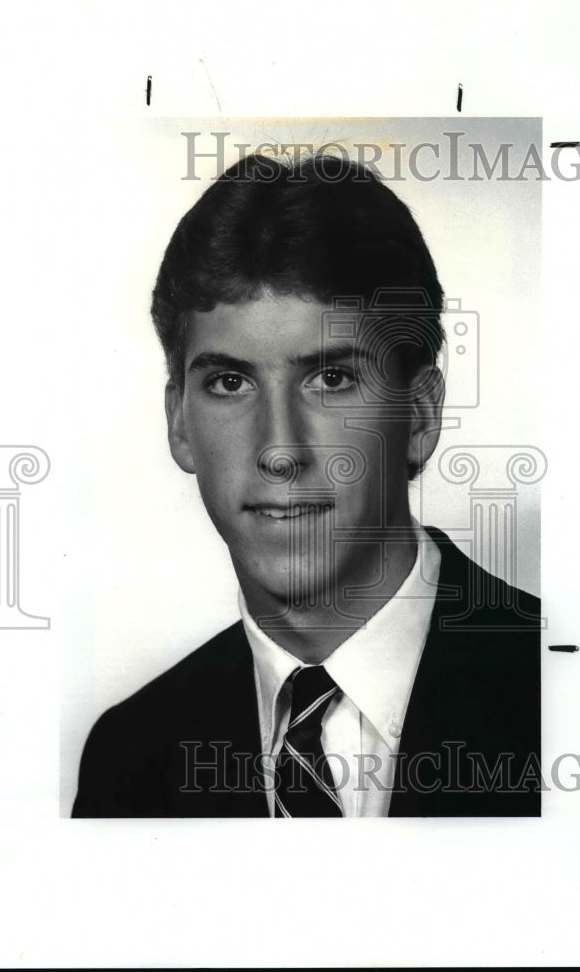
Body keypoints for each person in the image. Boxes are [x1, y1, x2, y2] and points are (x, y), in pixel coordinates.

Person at [72, 152, 541, 819]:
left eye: (331, 380)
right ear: (179, 425)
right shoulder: (130, 756)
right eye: (230, 383)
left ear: (420, 415)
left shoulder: (571, 693)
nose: (280, 451)